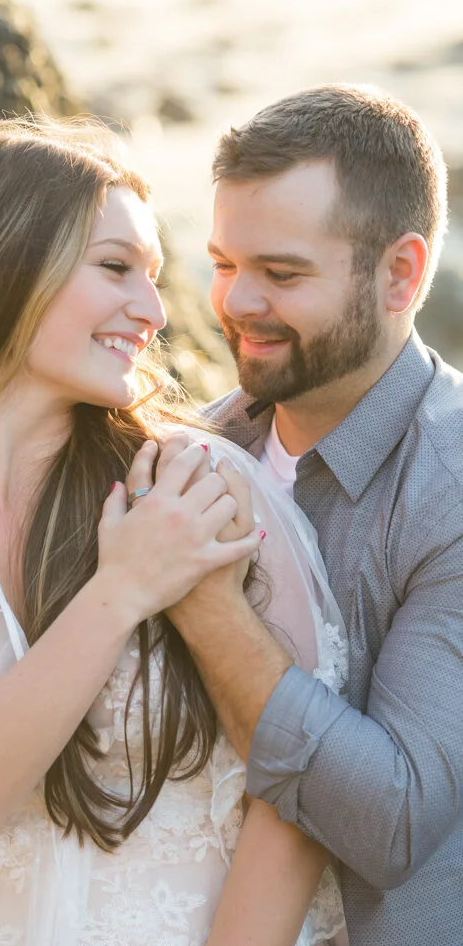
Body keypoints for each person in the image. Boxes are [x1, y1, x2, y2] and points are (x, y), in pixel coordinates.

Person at [0, 118, 347, 946]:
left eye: (156, 277)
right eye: (116, 268)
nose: (156, 311)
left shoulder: (195, 481)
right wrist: (120, 591)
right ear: (4, 267)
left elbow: (294, 788)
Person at [151, 84, 463, 946]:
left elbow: (394, 821)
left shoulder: (453, 487)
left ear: (399, 272)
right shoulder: (190, 451)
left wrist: (209, 608)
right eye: (221, 263)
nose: (235, 304)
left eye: (281, 274)